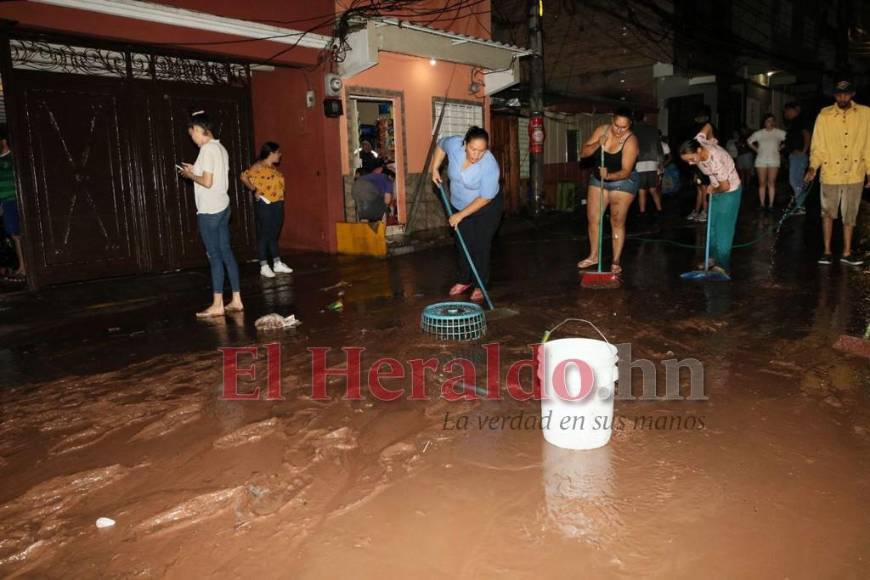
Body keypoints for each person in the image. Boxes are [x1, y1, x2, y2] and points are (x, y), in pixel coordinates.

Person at [179, 111, 244, 317]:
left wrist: (189, 175)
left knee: (214, 257)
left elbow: (207, 182)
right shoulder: (220, 147)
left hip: (209, 211)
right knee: (226, 252)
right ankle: (237, 300)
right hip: (223, 207)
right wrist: (195, 170)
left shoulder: (207, 149)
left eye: (192, 134)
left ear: (199, 129)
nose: (192, 138)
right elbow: (213, 176)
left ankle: (217, 304)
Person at [431, 126, 502, 303]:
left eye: (481, 151)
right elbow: (441, 145)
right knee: (463, 243)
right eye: (473, 149)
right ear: (465, 144)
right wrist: (435, 168)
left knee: (480, 245)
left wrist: (461, 215)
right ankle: (464, 280)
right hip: (459, 203)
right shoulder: (455, 145)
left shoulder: (489, 165)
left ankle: (480, 284)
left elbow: (485, 197)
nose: (476, 155)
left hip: (486, 207)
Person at [804, 76, 870, 266]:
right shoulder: (824, 115)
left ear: (852, 94)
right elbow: (818, 146)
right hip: (830, 171)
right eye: (839, 95)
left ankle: (847, 253)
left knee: (850, 214)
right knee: (828, 213)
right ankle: (826, 251)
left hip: (855, 171)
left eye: (846, 94)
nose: (842, 98)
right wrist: (813, 167)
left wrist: (869, 170)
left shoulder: (865, 113)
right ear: (834, 96)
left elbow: (868, 144)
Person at [577, 107, 639, 274]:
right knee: (593, 219)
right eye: (616, 125)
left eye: (624, 127)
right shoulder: (602, 130)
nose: (619, 130)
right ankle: (593, 256)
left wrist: (609, 176)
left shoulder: (631, 141)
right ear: (612, 120)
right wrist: (598, 143)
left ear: (629, 125)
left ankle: (616, 261)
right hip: (598, 180)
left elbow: (626, 171)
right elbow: (583, 153)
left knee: (616, 221)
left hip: (623, 182)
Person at [679, 132, 743, 276]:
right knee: (712, 226)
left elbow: (725, 186)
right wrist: (712, 137)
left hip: (729, 192)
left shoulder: (715, 160)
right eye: (687, 161)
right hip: (716, 188)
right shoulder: (698, 141)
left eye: (691, 159)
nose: (691, 163)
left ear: (699, 150)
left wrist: (713, 189)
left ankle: (722, 265)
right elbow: (707, 126)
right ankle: (711, 259)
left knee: (723, 230)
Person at [241, 141, 293, 279]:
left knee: (273, 233)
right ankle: (264, 266)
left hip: (278, 202)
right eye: (278, 152)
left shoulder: (272, 168)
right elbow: (244, 177)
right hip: (266, 203)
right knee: (265, 234)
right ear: (271, 153)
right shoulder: (258, 166)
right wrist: (254, 189)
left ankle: (277, 263)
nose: (280, 155)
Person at [748, 114, 786, 210]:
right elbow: (749, 141)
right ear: (764, 122)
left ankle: (771, 204)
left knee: (771, 182)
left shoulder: (779, 132)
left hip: (774, 160)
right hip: (761, 160)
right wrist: (756, 150)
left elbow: (789, 139)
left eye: (772, 120)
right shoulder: (759, 133)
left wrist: (781, 147)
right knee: (762, 183)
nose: (771, 122)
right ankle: (762, 204)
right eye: (768, 121)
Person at [0, 125, 24, 279]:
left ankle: (25, 267)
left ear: (3, 141)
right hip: (6, 202)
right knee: (14, 235)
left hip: (15, 200)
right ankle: (22, 267)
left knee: (18, 234)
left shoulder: (13, 158)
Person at [686, 111, 716, 222]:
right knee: (699, 188)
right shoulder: (694, 129)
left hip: (705, 162)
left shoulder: (709, 128)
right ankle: (697, 210)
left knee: (704, 188)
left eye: (701, 116)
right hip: (696, 163)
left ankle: (705, 211)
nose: (698, 119)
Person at [632, 111, 664, 217]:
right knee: (653, 189)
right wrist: (661, 164)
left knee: (641, 190)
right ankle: (659, 210)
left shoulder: (632, 130)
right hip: (653, 162)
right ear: (644, 118)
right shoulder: (653, 130)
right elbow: (659, 148)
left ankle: (642, 212)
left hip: (639, 163)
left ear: (633, 120)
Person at [783, 102, 812, 215]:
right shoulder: (794, 123)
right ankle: (800, 205)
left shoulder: (800, 120)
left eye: (786, 111)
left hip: (798, 156)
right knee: (797, 180)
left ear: (793, 110)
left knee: (795, 180)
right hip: (794, 156)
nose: (785, 114)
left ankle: (801, 206)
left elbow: (806, 135)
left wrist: (803, 151)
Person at [735, 126, 755, 194]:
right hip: (740, 156)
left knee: (748, 172)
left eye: (743, 129)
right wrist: (740, 145)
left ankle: (748, 186)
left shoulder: (749, 135)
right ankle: (743, 186)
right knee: (742, 172)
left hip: (747, 155)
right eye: (741, 129)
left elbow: (750, 145)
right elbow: (738, 145)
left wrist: (742, 145)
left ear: (746, 129)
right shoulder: (740, 136)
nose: (742, 130)